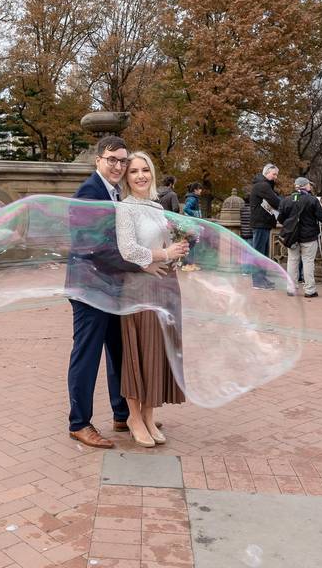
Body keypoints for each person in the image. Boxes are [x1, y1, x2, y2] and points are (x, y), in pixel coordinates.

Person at [65, 135, 143, 449]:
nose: (118, 166)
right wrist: (143, 263)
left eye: (122, 160)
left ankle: (122, 413)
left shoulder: (115, 193)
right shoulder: (89, 191)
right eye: (112, 160)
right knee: (87, 355)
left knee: (118, 352)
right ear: (99, 160)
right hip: (89, 289)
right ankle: (79, 423)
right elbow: (94, 247)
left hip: (110, 288)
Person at [116, 152, 189, 447]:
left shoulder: (158, 207)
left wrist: (178, 250)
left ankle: (148, 415)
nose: (140, 176)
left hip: (166, 285)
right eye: (133, 171)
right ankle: (134, 417)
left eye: (145, 170)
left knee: (158, 351)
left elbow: (164, 244)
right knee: (140, 352)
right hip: (139, 288)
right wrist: (162, 255)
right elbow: (127, 249)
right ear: (127, 177)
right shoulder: (125, 208)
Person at [278, 177, 322, 298]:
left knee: (292, 261)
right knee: (308, 262)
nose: (310, 187)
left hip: (291, 237)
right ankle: (309, 290)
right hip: (309, 237)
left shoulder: (286, 200)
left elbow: (280, 219)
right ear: (305, 186)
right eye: (309, 185)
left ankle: (291, 289)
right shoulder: (312, 200)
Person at [249, 163, 281, 289]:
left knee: (263, 253)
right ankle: (258, 281)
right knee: (259, 253)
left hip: (263, 223)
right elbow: (276, 201)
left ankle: (262, 278)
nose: (275, 177)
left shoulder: (264, 185)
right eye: (274, 174)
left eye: (276, 174)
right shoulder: (263, 186)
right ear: (266, 173)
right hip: (260, 223)